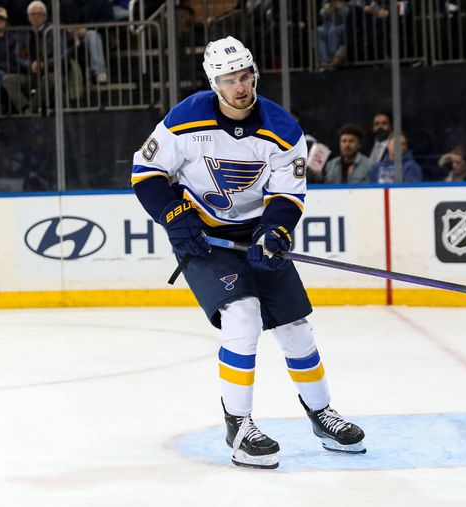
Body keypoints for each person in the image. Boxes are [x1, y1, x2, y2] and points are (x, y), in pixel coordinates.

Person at [130, 36, 365, 470]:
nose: (239, 87)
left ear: (254, 74)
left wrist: (275, 230)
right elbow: (145, 173)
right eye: (228, 80)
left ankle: (321, 413)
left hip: (256, 233)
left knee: (296, 326)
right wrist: (174, 216)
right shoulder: (184, 119)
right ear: (213, 83)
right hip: (204, 238)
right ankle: (238, 427)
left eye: (244, 76)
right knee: (242, 316)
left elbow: (288, 193)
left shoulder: (282, 128)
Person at [60, 0, 112, 84]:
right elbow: (58, 21)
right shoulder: (66, 4)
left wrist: (87, 28)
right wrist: (68, 29)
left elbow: (108, 20)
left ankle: (99, 72)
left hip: (94, 36)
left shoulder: (101, 2)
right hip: (70, 37)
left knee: (92, 34)